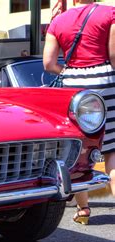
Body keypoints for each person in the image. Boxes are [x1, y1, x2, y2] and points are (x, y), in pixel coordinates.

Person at [43, 0, 115, 225]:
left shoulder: (58, 22)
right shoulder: (110, 13)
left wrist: (71, 72)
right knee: (112, 151)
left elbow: (48, 63)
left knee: (79, 150)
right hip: (105, 81)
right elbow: (114, 57)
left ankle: (83, 209)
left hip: (73, 87)